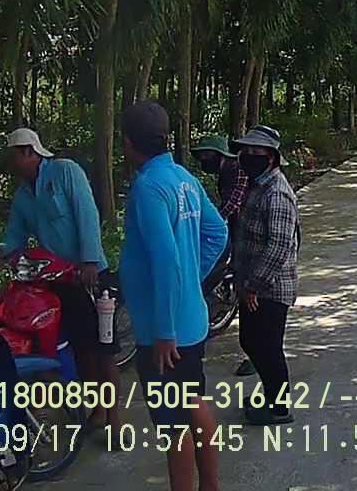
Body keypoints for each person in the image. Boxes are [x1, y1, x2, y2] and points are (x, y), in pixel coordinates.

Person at [120, 102, 227, 491]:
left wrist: (164, 330)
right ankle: (210, 485)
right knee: (193, 402)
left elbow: (165, 261)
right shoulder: (184, 178)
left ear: (128, 142)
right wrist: (192, 276)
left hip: (164, 331)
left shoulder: (148, 187)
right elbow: (217, 233)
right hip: (190, 320)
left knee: (172, 425)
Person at [0, 127, 121, 427]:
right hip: (58, 280)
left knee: (103, 349)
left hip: (89, 275)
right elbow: (15, 234)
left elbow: (87, 214)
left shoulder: (65, 172)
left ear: (28, 152)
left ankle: (114, 420)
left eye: (13, 157)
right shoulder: (23, 194)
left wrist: (90, 260)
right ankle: (95, 410)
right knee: (79, 349)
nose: (10, 165)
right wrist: (2, 252)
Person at [230, 125, 300, 426]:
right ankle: (271, 393)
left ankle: (279, 408)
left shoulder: (277, 193)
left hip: (269, 288)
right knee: (251, 341)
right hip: (254, 285)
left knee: (267, 348)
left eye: (256, 152)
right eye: (246, 151)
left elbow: (279, 245)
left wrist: (254, 285)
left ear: (271, 157)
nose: (249, 156)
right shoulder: (258, 185)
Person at [191, 136, 257, 377]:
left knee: (251, 294)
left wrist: (213, 223)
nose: (203, 160)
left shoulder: (237, 170)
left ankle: (256, 355)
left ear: (218, 155)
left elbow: (232, 203)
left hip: (249, 232)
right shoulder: (223, 172)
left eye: (206, 156)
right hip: (237, 227)